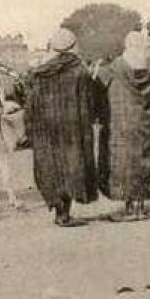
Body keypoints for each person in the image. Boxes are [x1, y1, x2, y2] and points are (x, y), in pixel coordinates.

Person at [26, 27, 98, 227]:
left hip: (45, 130)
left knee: (52, 168)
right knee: (71, 166)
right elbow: (88, 103)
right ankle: (65, 214)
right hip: (71, 129)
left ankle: (59, 212)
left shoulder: (39, 73)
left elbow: (30, 106)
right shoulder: (79, 71)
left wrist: (31, 130)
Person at [97, 30, 150, 220]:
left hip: (121, 123)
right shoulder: (149, 68)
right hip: (143, 121)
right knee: (143, 161)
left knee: (125, 165)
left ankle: (129, 208)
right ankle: (140, 207)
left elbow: (99, 84)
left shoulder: (116, 66)